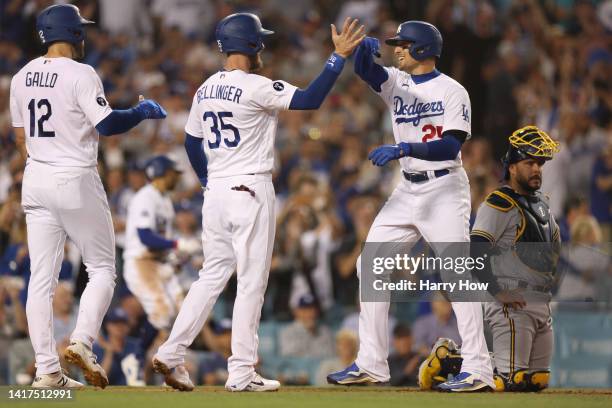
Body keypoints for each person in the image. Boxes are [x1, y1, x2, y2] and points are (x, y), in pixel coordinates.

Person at [152, 13, 365, 392]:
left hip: (216, 193)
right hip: (249, 189)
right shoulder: (256, 86)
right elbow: (311, 99)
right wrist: (337, 57)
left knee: (210, 277)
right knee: (251, 284)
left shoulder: (204, 88)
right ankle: (241, 371)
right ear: (252, 45)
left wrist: (206, 181)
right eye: (260, 41)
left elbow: (190, 141)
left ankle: (171, 351)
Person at [327, 20, 495, 391]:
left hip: (444, 187)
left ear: (422, 48)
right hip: (407, 189)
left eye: (402, 44)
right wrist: (361, 54)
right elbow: (369, 73)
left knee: (455, 273)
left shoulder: (453, 91)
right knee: (369, 264)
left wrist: (404, 148)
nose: (396, 49)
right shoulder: (397, 82)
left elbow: (451, 146)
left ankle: (479, 368)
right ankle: (371, 363)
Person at [9, 4, 166, 388]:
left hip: (36, 178)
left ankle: (47, 372)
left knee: (40, 281)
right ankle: (81, 341)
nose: (84, 35)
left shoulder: (21, 76)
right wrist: (141, 110)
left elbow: (19, 139)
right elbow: (109, 123)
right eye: (80, 29)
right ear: (72, 33)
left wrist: (42, 165)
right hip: (74, 176)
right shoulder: (81, 72)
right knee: (102, 269)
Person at [428, 126, 561, 392]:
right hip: (512, 301)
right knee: (510, 381)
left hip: (540, 302)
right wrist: (497, 291)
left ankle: (452, 360)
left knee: (537, 381)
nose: (537, 169)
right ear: (512, 167)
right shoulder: (499, 202)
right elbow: (476, 249)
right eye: (529, 162)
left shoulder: (542, 205)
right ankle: (448, 364)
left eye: (540, 164)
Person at [123, 155, 200, 341]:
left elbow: (162, 238)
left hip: (158, 262)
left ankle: (168, 362)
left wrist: (176, 256)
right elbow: (145, 236)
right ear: (162, 173)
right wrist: (177, 244)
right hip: (140, 262)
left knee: (183, 313)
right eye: (173, 173)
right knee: (162, 313)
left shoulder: (165, 200)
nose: (177, 177)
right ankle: (135, 354)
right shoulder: (145, 197)